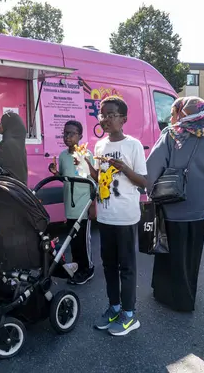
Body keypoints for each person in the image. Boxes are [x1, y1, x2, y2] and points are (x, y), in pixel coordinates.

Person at [146, 97, 204, 312]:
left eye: (174, 113)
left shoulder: (170, 137)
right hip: (201, 208)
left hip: (173, 205)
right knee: (191, 256)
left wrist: (150, 194)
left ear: (185, 114)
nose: (172, 118)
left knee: (168, 251)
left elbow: (151, 171)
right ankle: (186, 296)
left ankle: (167, 294)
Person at [83, 96, 147, 336]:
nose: (105, 119)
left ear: (123, 119)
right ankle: (114, 307)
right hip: (106, 217)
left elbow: (144, 181)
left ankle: (130, 315)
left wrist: (124, 168)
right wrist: (88, 166)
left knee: (126, 267)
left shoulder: (133, 145)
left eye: (111, 114)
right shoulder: (99, 146)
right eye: (102, 114)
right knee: (108, 266)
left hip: (126, 217)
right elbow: (99, 179)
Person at [48, 120, 95, 285]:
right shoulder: (62, 156)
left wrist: (93, 207)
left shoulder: (87, 155)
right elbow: (65, 179)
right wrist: (57, 173)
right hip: (69, 207)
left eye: (72, 133)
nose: (67, 136)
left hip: (83, 207)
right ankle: (77, 267)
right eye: (65, 133)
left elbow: (94, 182)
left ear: (80, 136)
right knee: (72, 240)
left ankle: (88, 269)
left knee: (83, 241)